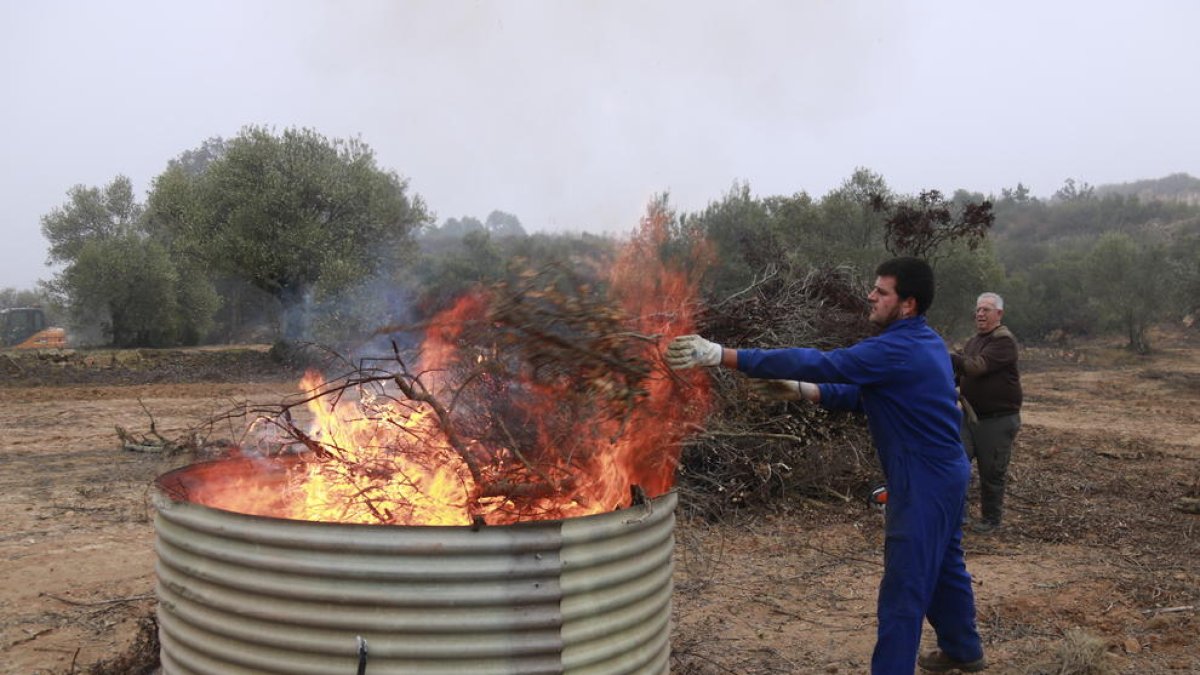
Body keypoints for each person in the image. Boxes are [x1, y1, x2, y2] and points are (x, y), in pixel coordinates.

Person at [666, 257, 985, 674]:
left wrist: (722, 355)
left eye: (881, 291)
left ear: (907, 304)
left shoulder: (897, 349)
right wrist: (805, 391)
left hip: (924, 480)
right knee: (944, 565)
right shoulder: (925, 342)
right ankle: (964, 650)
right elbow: (867, 395)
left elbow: (823, 361)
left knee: (903, 588)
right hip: (945, 472)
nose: (870, 295)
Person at [952, 292, 1022, 535]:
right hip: (970, 417)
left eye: (986, 310)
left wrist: (947, 356)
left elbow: (976, 367)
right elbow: (960, 374)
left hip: (998, 419)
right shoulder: (974, 341)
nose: (980, 314)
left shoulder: (1003, 341)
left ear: (999, 314)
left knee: (991, 473)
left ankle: (991, 520)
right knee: (956, 464)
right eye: (978, 309)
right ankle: (957, 516)